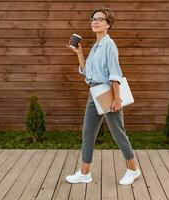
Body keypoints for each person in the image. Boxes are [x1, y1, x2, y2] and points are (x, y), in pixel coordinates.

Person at [65, 7, 141, 185]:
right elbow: (87, 72)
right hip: (94, 93)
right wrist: (79, 54)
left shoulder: (109, 44)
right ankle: (85, 173)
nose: (95, 21)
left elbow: (115, 73)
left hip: (107, 93)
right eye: (93, 18)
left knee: (118, 133)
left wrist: (117, 99)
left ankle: (133, 169)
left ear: (108, 24)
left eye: (100, 19)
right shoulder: (95, 46)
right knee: (88, 133)